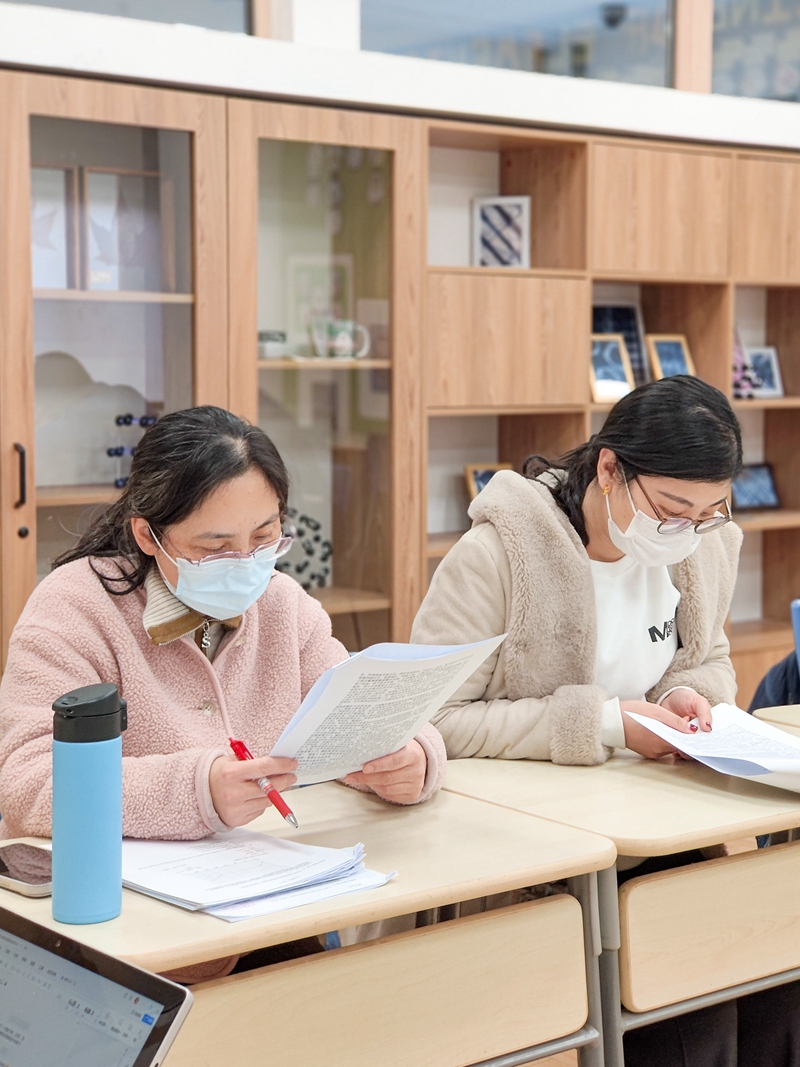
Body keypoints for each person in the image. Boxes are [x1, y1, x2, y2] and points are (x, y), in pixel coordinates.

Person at [410, 376, 800, 1066]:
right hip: (533, 848)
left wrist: (690, 697)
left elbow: (710, 656)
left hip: (656, 825)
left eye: (711, 511)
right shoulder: (500, 554)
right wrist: (609, 723)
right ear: (610, 468)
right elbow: (433, 718)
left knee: (771, 974)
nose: (691, 531)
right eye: (673, 508)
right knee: (690, 1018)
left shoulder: (700, 546)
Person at [0, 406, 446, 978]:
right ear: (148, 534)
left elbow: (363, 701)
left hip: (263, 907)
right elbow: (30, 783)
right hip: (116, 933)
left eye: (264, 537)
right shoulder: (77, 608)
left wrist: (414, 758)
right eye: (214, 548)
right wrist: (195, 790)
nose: (246, 565)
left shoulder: (282, 606)